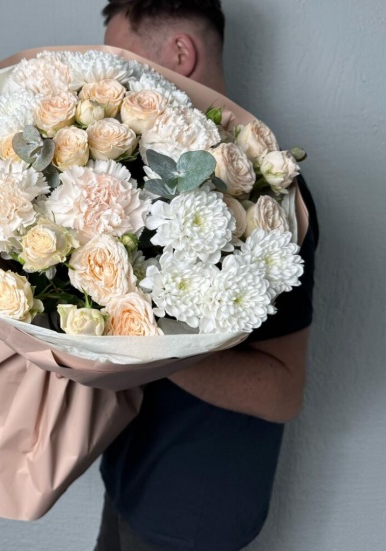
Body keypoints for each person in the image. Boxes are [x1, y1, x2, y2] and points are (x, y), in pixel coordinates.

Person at [95, 1, 319, 550]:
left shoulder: (272, 202)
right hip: (129, 474)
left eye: (124, 62)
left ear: (180, 52)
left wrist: (139, 337)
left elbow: (282, 393)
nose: (114, 84)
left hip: (194, 511)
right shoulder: (141, 172)